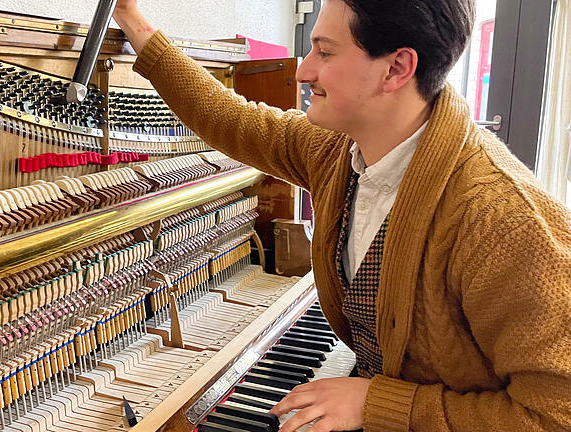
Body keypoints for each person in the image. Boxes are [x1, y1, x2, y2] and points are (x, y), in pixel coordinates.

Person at [111, 0, 571, 431]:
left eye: (324, 52)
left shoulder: (503, 220)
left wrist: (376, 403)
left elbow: (556, 414)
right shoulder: (339, 149)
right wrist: (132, 20)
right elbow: (232, 119)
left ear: (397, 68)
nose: (304, 71)